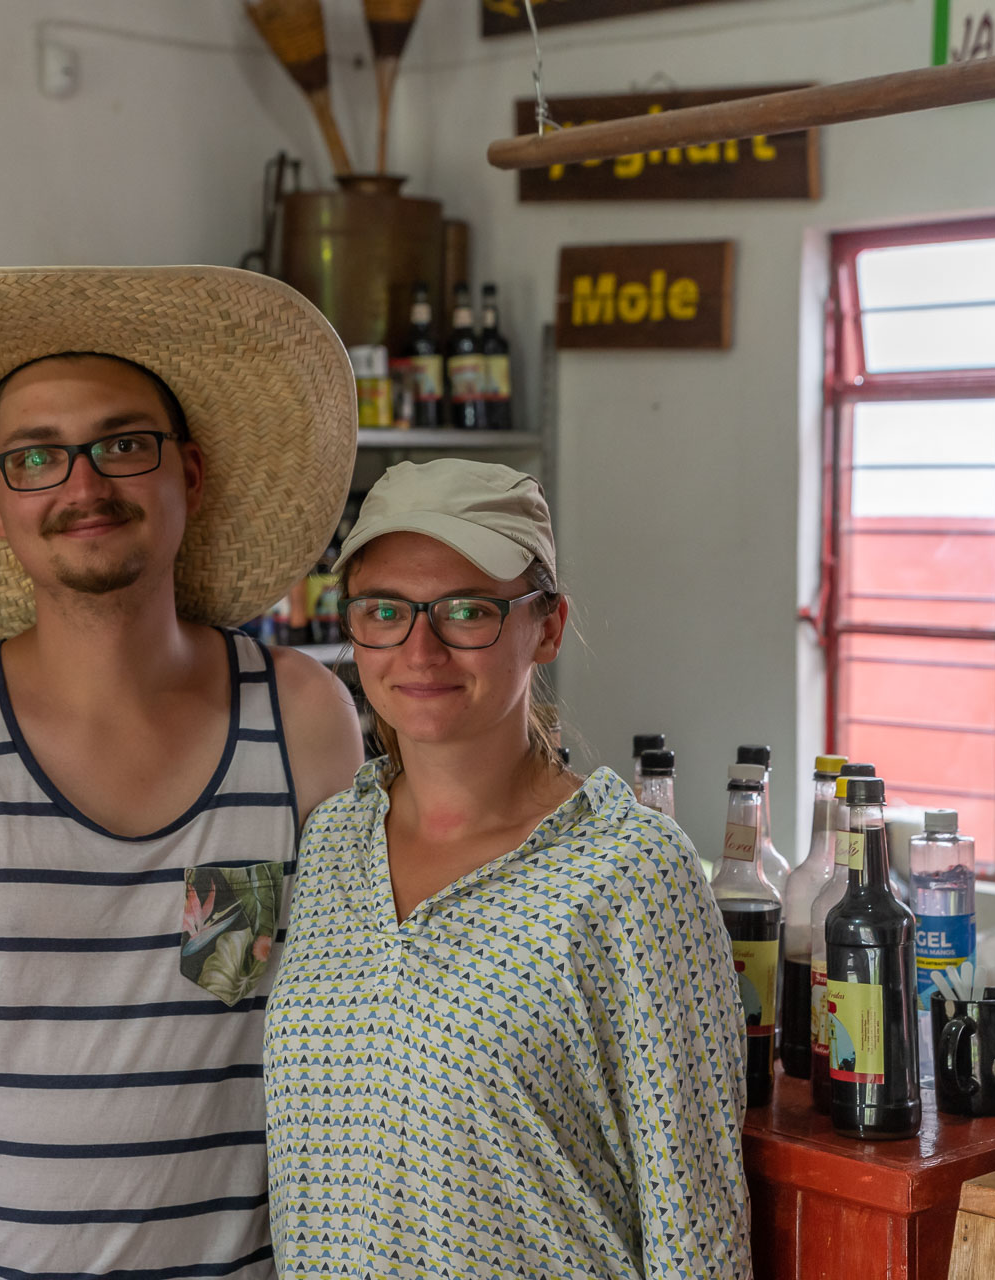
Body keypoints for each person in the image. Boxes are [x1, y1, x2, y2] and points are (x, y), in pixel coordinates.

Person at [0, 266, 366, 1280]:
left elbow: (346, 1050)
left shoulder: (303, 718)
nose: (83, 484)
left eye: (122, 442)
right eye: (36, 456)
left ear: (187, 474)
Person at [263, 459, 750, 1279]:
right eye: (384, 611)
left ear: (548, 626)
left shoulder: (633, 872)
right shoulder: (335, 841)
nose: (420, 649)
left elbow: (695, 1225)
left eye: (466, 611)